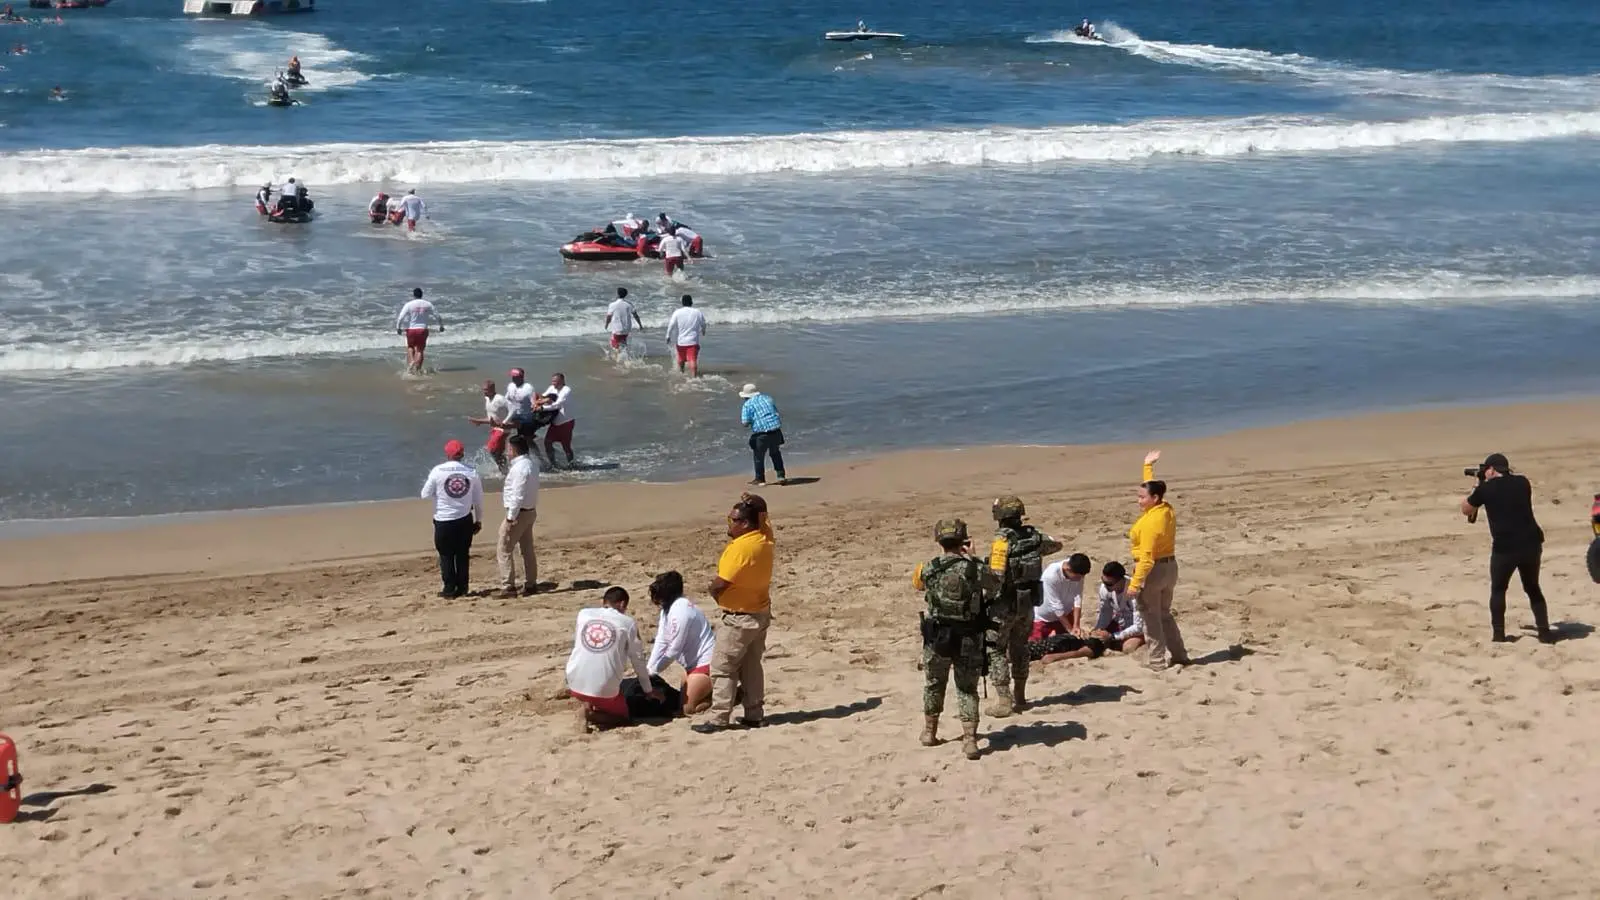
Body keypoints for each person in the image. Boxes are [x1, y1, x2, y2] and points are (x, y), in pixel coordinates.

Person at [912, 518, 995, 760]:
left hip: (937, 636)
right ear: (963, 541)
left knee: (934, 684)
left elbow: (918, 585)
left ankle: (929, 732)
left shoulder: (929, 567)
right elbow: (994, 583)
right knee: (967, 689)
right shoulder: (973, 568)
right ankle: (970, 740)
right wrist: (975, 558)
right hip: (968, 636)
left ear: (939, 540)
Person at [692, 493, 775, 733]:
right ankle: (754, 714)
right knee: (751, 666)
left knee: (722, 667)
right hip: (759, 612)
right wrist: (757, 501)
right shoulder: (764, 537)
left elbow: (720, 583)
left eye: (733, 520)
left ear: (745, 524)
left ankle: (719, 718)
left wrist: (715, 595)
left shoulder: (741, 548)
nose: (729, 524)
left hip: (739, 617)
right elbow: (763, 514)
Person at [1463, 453, 1553, 643]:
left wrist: (1478, 486)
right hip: (1531, 543)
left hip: (1505, 548)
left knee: (1498, 589)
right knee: (1532, 587)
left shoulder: (1485, 489)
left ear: (1492, 470)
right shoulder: (1523, 482)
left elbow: (1466, 509)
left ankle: (1498, 634)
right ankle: (1544, 632)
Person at [986, 495, 1063, 716]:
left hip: (1005, 603)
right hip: (1028, 602)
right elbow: (1056, 544)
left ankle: (1003, 699)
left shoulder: (1001, 541)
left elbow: (996, 576)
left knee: (996, 649)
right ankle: (1020, 695)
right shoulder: (1034, 536)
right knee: (1020, 647)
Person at [1128, 450, 1190, 670]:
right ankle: (1180, 655)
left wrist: (1134, 585)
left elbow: (1146, 559)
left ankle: (1156, 661)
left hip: (1153, 571)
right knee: (1164, 614)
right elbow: (1150, 486)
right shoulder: (1165, 509)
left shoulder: (1150, 524)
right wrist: (1147, 466)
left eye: (1142, 498)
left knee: (1152, 617)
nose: (1138, 501)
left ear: (1154, 499)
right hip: (1170, 568)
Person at [566, 587, 656, 730]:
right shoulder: (628, 623)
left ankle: (587, 703)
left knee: (593, 665)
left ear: (604, 601)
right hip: (604, 689)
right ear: (622, 604)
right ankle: (589, 714)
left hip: (574, 681)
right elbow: (638, 659)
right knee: (624, 719)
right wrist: (648, 690)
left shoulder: (583, 614)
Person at [420, 439, 484, 598]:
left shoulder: (437, 471)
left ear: (447, 454)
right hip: (464, 519)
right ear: (462, 454)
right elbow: (478, 500)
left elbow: (425, 494)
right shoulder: (471, 472)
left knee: (446, 555)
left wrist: (439, 494)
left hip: (443, 520)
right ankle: (463, 588)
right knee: (462, 554)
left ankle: (449, 589)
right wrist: (479, 520)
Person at [646, 571, 716, 715]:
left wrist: (653, 673)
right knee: (680, 703)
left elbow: (673, 650)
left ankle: (721, 697)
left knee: (686, 710)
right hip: (690, 666)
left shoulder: (682, 612)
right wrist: (648, 669)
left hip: (705, 664)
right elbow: (661, 640)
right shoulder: (667, 610)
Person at [498, 433, 540, 597]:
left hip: (519, 513)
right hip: (529, 511)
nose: (507, 452)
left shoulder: (520, 468)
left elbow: (517, 495)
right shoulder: (531, 464)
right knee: (527, 549)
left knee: (504, 548)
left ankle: (508, 586)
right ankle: (531, 583)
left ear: (514, 449)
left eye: (508, 448)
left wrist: (510, 517)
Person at [1031, 552, 1090, 641]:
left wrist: (1076, 625)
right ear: (1068, 569)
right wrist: (1070, 630)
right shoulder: (1051, 575)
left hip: (1065, 616)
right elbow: (1056, 605)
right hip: (1044, 619)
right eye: (1077, 577)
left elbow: (1078, 597)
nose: (1079, 580)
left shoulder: (1078, 570)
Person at [738, 383, 787, 486]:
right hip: (776, 431)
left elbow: (745, 423)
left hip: (762, 434)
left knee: (758, 456)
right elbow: (776, 412)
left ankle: (760, 479)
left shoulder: (747, 405)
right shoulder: (767, 398)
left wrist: (752, 421)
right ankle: (781, 475)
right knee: (775, 453)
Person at [1091, 560, 1145, 654]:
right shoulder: (1105, 589)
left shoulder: (1135, 592)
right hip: (1120, 623)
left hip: (1141, 628)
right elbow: (1105, 613)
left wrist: (1113, 636)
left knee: (1128, 648)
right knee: (1095, 639)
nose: (1105, 586)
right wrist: (1099, 630)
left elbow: (1139, 626)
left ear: (1120, 580)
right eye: (1103, 581)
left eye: (1109, 584)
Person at [394, 287, 444, 374]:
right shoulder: (428, 304)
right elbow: (437, 315)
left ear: (413, 295)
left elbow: (401, 317)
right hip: (423, 330)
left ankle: (411, 364)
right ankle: (417, 369)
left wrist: (398, 328)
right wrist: (441, 326)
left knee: (410, 347)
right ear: (422, 295)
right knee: (420, 350)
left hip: (411, 330)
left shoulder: (409, 304)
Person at [467, 379, 512, 473]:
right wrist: (479, 421)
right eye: (483, 390)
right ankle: (505, 469)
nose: (484, 392)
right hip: (495, 429)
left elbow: (513, 410)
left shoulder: (500, 399)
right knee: (497, 452)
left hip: (503, 429)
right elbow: (492, 419)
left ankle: (504, 469)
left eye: (486, 390)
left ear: (492, 389)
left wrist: (507, 422)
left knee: (492, 449)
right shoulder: (487, 399)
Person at [538, 372, 576, 468]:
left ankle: (572, 465)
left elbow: (558, 405)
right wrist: (537, 400)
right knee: (547, 442)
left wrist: (543, 408)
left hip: (566, 422)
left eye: (555, 381)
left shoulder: (566, 390)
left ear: (562, 381)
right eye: (552, 381)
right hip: (555, 422)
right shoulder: (552, 388)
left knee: (566, 446)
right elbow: (543, 397)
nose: (553, 383)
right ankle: (553, 464)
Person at [664, 295, 707, 377]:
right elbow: (703, 323)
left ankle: (682, 373)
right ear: (691, 302)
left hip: (681, 342)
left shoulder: (677, 312)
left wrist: (667, 336)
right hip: (693, 341)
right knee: (692, 360)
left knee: (681, 360)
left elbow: (671, 325)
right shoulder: (697, 312)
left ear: (682, 302)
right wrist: (703, 331)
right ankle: (694, 377)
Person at [604, 287, 643, 356]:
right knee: (623, 342)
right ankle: (625, 355)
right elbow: (635, 315)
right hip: (627, 329)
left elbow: (608, 317)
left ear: (618, 295)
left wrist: (606, 325)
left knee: (614, 345)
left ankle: (619, 358)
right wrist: (640, 325)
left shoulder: (612, 305)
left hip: (617, 329)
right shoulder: (629, 304)